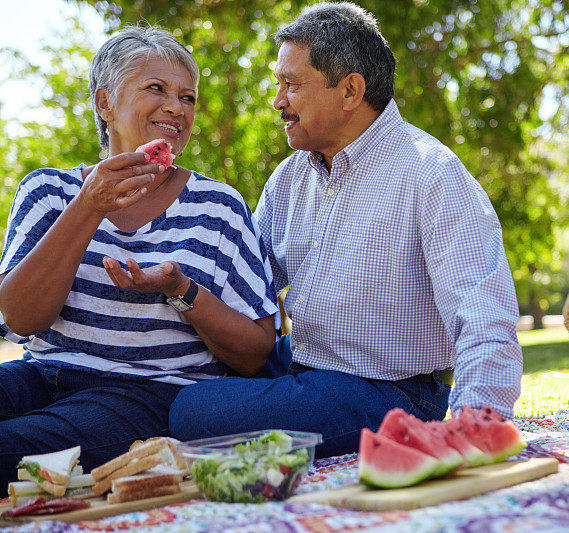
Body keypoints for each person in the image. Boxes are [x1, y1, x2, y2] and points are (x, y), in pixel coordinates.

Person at [169, 2, 522, 457]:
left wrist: (478, 423)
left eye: (291, 85)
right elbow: (246, 286)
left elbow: (483, 310)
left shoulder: (430, 173)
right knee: (184, 386)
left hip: (392, 395)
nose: (277, 101)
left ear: (351, 90)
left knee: (193, 411)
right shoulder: (289, 178)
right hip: (298, 368)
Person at [0, 26, 278, 496]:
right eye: (157, 89)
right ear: (105, 103)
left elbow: (256, 353)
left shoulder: (219, 207)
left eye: (187, 97)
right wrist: (88, 206)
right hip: (40, 373)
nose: (177, 107)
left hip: (146, 394)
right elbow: (19, 317)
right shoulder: (48, 192)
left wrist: (180, 289)